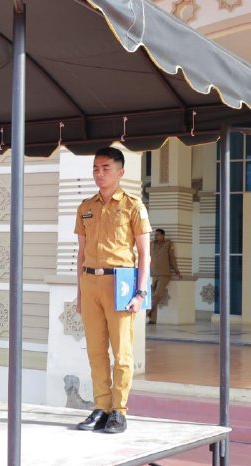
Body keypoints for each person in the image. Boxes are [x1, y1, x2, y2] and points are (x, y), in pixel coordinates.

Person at [74, 147, 151, 434]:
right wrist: (80, 294)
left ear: (120, 172)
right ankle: (101, 407)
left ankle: (119, 410)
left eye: (105, 168)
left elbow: (145, 254)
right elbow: (80, 255)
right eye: (96, 168)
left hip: (120, 284)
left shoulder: (133, 206)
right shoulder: (85, 207)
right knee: (95, 351)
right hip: (91, 283)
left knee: (122, 352)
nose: (99, 173)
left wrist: (140, 292)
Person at [148, 228, 180, 325]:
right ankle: (152, 319)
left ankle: (145, 312)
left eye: (158, 234)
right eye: (155, 234)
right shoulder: (151, 244)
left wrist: (176, 270)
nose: (155, 236)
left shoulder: (168, 244)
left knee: (157, 295)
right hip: (152, 274)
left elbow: (172, 258)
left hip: (164, 275)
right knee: (152, 297)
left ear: (163, 235)